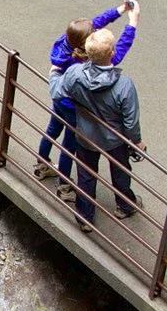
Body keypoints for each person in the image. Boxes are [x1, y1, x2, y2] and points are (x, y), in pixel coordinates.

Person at [36, 0, 138, 186]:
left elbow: (97, 22)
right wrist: (132, 23)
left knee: (52, 130)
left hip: (59, 98)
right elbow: (118, 51)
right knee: (69, 144)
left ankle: (42, 163)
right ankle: (64, 183)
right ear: (87, 43)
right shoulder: (82, 62)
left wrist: (121, 10)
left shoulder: (65, 42)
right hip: (73, 106)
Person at [56, 24, 144, 229]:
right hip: (114, 138)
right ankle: (125, 205)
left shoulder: (75, 73)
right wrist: (137, 141)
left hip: (86, 135)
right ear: (112, 53)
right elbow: (131, 122)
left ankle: (85, 216)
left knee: (86, 174)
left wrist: (53, 73)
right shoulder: (124, 85)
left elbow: (58, 91)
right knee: (120, 170)